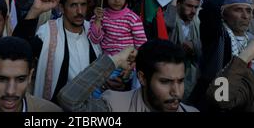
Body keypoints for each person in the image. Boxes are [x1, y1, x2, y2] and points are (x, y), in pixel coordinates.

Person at [13, 0, 102, 103]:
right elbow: (16, 52)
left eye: (83, 5)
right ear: (61, 7)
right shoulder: (47, 32)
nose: (80, 11)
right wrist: (35, 11)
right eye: (73, 5)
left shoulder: (94, 31)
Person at [57, 39, 199, 112]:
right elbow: (69, 101)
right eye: (165, 82)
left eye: (180, 81)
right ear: (142, 78)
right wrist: (115, 60)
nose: (176, 92)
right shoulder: (115, 106)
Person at [191, 0, 254, 110]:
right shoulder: (217, 35)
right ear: (224, 13)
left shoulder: (253, 41)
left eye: (249, 11)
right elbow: (209, 7)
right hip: (211, 103)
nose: (245, 16)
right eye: (238, 10)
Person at [88, 0, 147, 96]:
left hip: (124, 66)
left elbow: (142, 46)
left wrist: (132, 66)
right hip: (105, 63)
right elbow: (95, 39)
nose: (117, 0)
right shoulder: (101, 15)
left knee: (102, 92)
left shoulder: (133, 18)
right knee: (95, 91)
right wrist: (97, 20)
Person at [164, 0, 201, 100]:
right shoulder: (172, 20)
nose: (193, 11)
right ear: (179, 4)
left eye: (196, 7)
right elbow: (168, 23)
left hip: (191, 74)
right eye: (189, 6)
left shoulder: (197, 23)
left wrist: (194, 45)